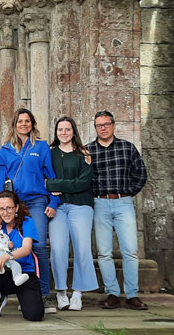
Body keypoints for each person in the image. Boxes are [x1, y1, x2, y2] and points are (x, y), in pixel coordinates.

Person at [0, 108, 60, 309]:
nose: (24, 124)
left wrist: (54, 202)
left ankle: (44, 293)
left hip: (37, 201)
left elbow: (51, 177)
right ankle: (22, 293)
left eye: (27, 121)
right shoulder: (5, 150)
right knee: (14, 247)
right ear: (14, 124)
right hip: (14, 204)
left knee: (38, 247)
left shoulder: (41, 147)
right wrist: (0, 208)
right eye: (20, 121)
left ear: (32, 124)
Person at [87, 110, 148, 310]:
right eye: (99, 125)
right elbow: (83, 179)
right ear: (95, 127)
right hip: (99, 203)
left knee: (130, 251)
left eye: (106, 124)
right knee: (104, 252)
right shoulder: (88, 151)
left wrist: (129, 192)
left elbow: (141, 173)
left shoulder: (127, 148)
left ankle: (132, 295)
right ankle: (112, 293)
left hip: (123, 203)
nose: (103, 128)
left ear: (113, 125)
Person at [45, 116, 98, 311]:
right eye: (60, 129)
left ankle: (78, 293)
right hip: (58, 207)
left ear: (74, 132)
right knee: (58, 250)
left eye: (68, 129)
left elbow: (83, 183)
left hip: (81, 206)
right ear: (56, 132)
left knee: (82, 248)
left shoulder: (83, 154)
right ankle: (61, 293)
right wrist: (53, 186)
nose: (64, 133)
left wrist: (55, 185)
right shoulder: (50, 153)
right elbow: (42, 178)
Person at [0, 191, 44, 321]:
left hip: (24, 273)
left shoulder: (27, 222)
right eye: (1, 209)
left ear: (16, 207)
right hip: (5, 273)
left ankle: (24, 297)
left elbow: (26, 249)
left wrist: (7, 256)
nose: (5, 212)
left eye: (9, 208)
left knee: (35, 315)